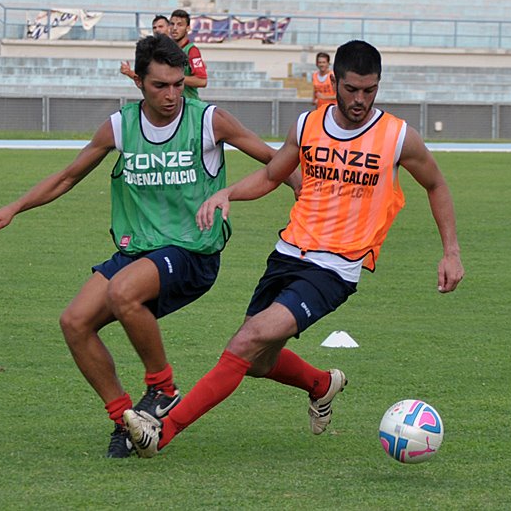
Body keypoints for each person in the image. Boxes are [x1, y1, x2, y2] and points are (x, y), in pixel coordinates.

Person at [122, 40, 465, 458]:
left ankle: (162, 431)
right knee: (260, 362)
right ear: (334, 81)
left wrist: (451, 251)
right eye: (352, 89)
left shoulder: (396, 137)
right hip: (288, 253)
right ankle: (322, 384)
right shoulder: (307, 125)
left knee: (246, 341)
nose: (360, 100)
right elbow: (271, 175)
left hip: (336, 269)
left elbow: (436, 184)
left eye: (370, 91)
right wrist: (228, 193)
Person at [0, 34, 297, 459]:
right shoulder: (120, 126)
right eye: (159, 86)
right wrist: (15, 207)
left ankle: (162, 388)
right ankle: (127, 422)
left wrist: (302, 189)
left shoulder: (209, 120)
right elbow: (68, 176)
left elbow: (274, 159)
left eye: (178, 84)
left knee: (123, 291)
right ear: (139, 83)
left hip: (191, 252)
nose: (171, 95)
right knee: (74, 322)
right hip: (138, 252)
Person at [169, 9, 207, 100]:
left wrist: (176, 78)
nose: (174, 28)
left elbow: (202, 81)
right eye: (172, 24)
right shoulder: (168, 50)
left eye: (180, 25)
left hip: (189, 106)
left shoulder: (192, 51)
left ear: (188, 28)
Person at [120, 15, 169, 81]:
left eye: (161, 27)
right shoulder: (148, 49)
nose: (157, 30)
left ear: (169, 28)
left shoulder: (179, 47)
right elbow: (144, 78)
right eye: (154, 28)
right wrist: (129, 72)